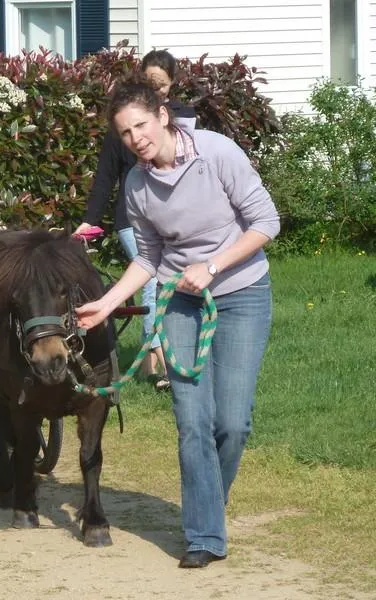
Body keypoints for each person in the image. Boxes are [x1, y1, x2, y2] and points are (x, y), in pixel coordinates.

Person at [75, 76, 280, 569]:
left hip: (242, 293)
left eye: (141, 125)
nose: (136, 139)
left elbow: (266, 223)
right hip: (179, 303)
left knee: (232, 423)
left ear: (163, 116)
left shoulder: (216, 153)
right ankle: (204, 535)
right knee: (193, 423)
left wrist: (212, 266)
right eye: (125, 133)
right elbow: (147, 258)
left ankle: (209, 503)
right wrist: (106, 304)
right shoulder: (137, 184)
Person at [75, 49, 196, 391]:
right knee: (153, 281)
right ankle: (156, 360)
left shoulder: (185, 120)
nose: (156, 88)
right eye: (149, 82)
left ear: (172, 85)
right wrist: (90, 220)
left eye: (161, 84)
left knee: (173, 285)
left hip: (174, 214)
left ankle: (160, 360)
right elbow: (104, 177)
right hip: (133, 218)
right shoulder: (120, 129)